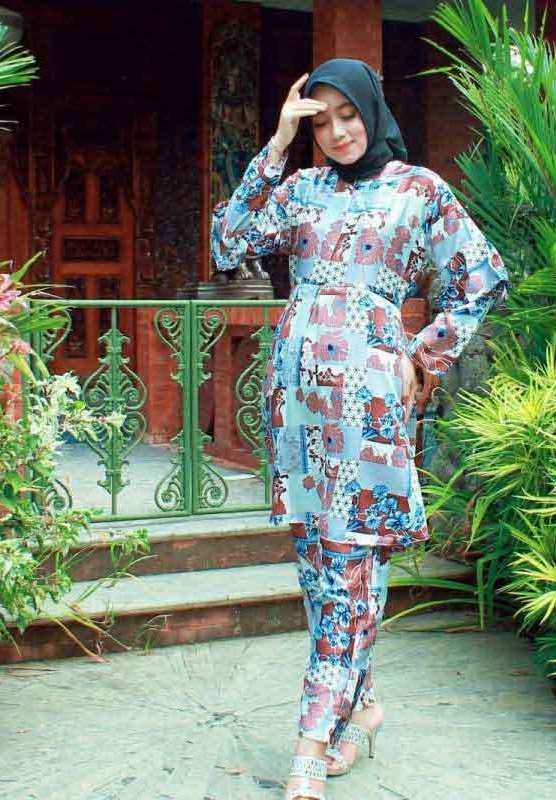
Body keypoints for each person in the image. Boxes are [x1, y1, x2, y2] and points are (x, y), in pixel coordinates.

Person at [211, 57, 509, 800]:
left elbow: (482, 276)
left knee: (350, 568)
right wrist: (278, 143)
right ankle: (362, 705)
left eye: (349, 115)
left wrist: (424, 354)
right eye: (323, 120)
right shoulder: (302, 190)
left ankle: (311, 745)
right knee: (321, 570)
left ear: (372, 112)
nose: (339, 132)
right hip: (297, 408)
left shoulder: (419, 190)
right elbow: (228, 242)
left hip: (369, 407)